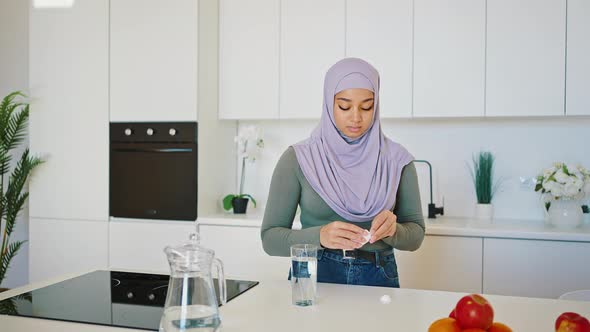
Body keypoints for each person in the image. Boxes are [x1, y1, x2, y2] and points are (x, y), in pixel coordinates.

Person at [260, 58, 425, 288]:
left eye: (367, 106)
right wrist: (320, 236)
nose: (356, 117)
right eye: (344, 106)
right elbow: (269, 239)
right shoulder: (298, 159)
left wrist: (394, 231)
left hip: (377, 274)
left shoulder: (397, 161)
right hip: (313, 274)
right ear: (329, 103)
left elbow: (416, 235)